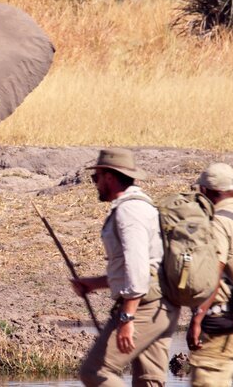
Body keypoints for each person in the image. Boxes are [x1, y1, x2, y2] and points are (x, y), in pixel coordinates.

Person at [72, 147, 179, 387]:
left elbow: (138, 268)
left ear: (109, 177)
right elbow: (136, 268)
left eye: (95, 178)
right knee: (148, 382)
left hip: (143, 307)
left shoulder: (129, 211)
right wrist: (93, 284)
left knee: (95, 371)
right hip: (163, 307)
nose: (95, 184)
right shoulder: (143, 206)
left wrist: (127, 317)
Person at [187, 163, 233, 386]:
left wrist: (197, 318)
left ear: (207, 192)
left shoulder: (219, 222)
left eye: (200, 191)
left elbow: (213, 275)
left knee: (206, 380)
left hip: (223, 320)